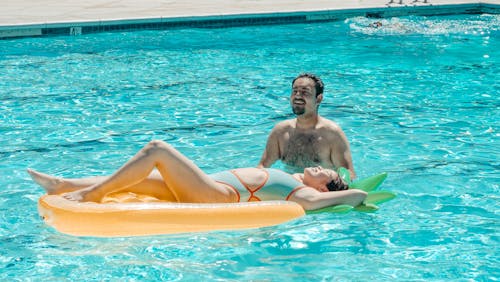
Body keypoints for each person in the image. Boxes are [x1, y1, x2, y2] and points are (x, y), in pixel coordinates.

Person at [28, 140, 366, 211]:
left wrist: (346, 193)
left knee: (157, 150)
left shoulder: (304, 194)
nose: (320, 167)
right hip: (207, 185)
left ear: (322, 186)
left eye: (324, 173)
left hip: (213, 195)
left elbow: (355, 195)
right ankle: (63, 184)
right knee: (138, 178)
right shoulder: (294, 181)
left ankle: (90, 195)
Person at [258, 73, 356, 179]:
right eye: (294, 91)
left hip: (319, 192)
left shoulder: (332, 134)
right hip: (290, 191)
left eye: (305, 92)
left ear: (318, 99)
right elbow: (262, 166)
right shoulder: (281, 132)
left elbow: (348, 175)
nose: (298, 96)